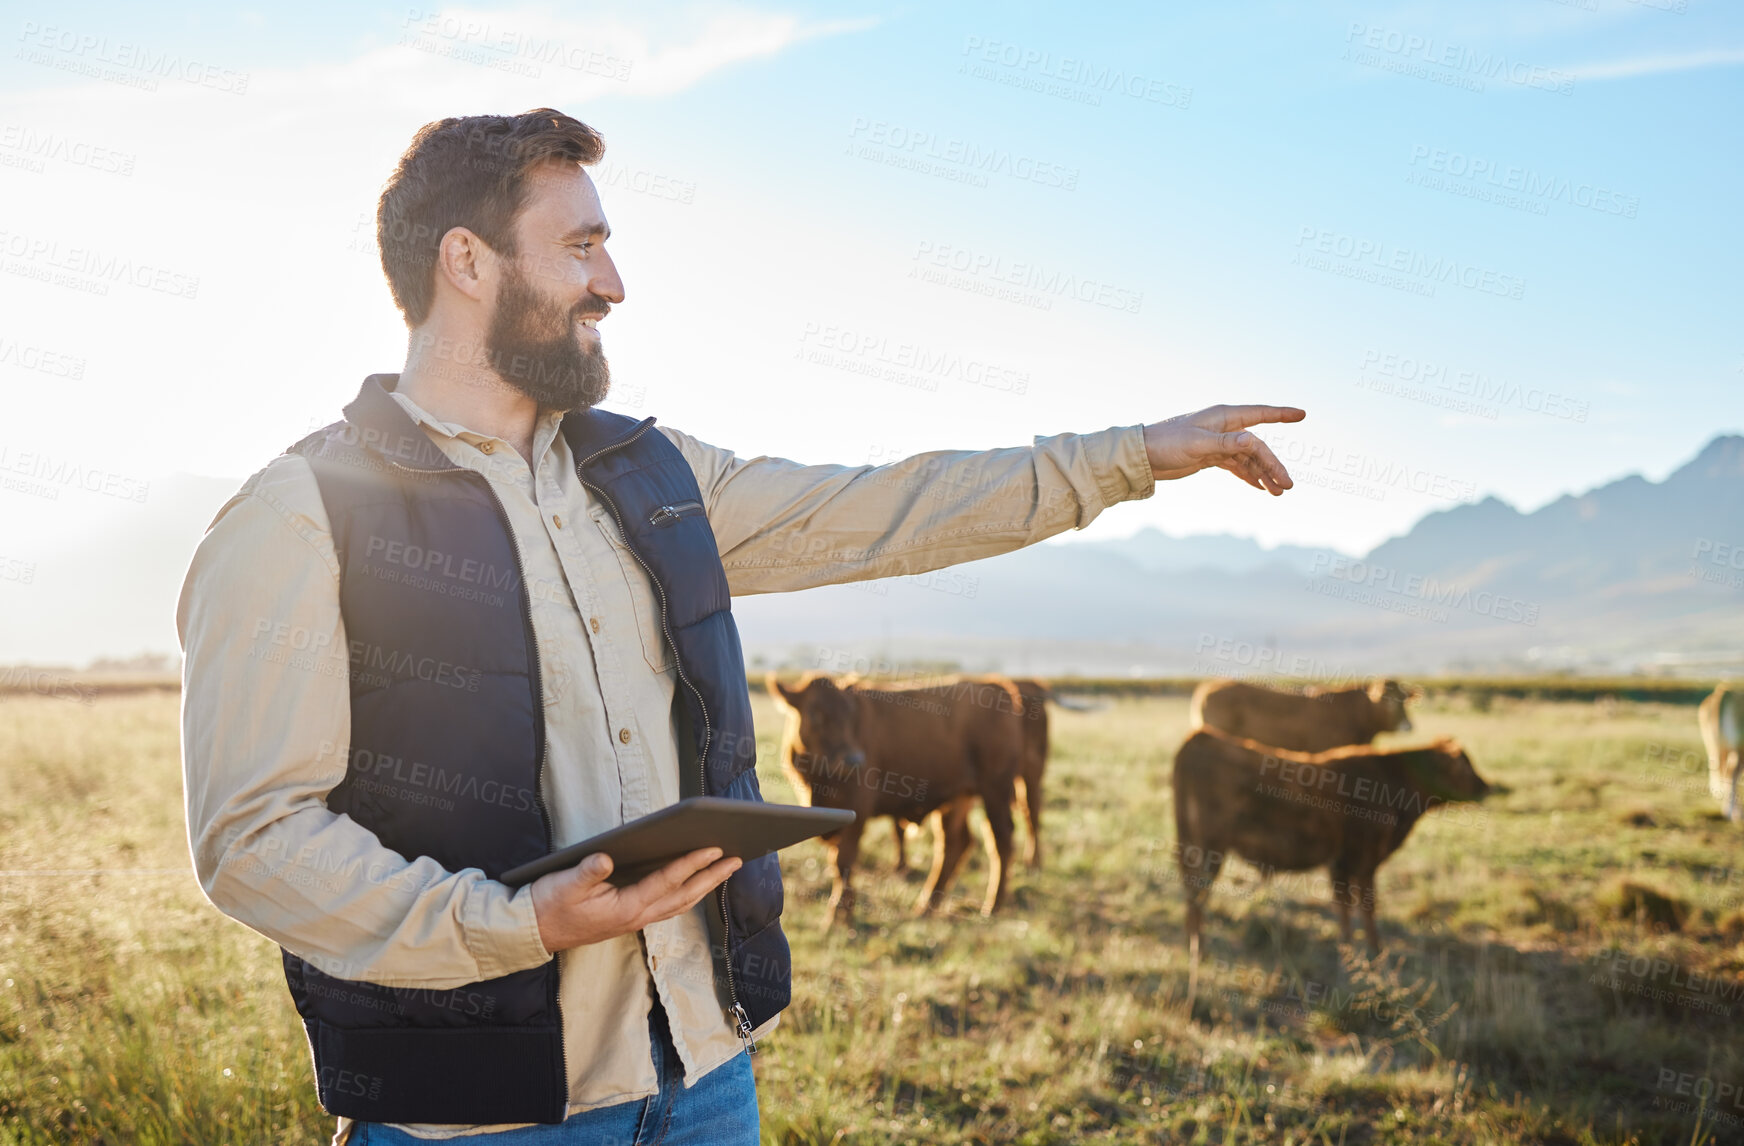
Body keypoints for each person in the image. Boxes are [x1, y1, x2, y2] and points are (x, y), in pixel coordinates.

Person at [176, 108, 1303, 1146]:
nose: (612, 282)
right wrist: (514, 923)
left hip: (708, 1075)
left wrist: (1134, 453)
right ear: (465, 261)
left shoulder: (653, 478)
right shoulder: (298, 519)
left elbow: (885, 509)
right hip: (482, 1120)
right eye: (581, 245)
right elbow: (253, 841)